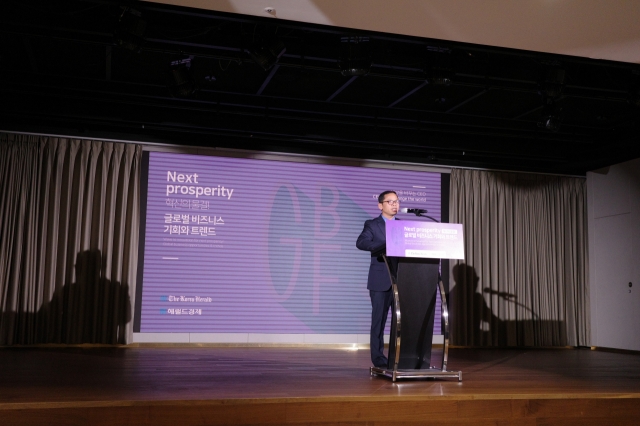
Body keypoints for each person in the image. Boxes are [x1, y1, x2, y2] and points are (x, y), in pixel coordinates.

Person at [356, 190, 399, 368]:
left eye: (397, 201)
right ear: (380, 205)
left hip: (402, 280)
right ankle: (379, 359)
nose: (395, 205)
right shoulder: (372, 224)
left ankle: (398, 357)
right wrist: (385, 245)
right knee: (378, 322)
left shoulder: (405, 226)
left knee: (400, 323)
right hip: (380, 280)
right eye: (390, 202)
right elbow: (362, 242)